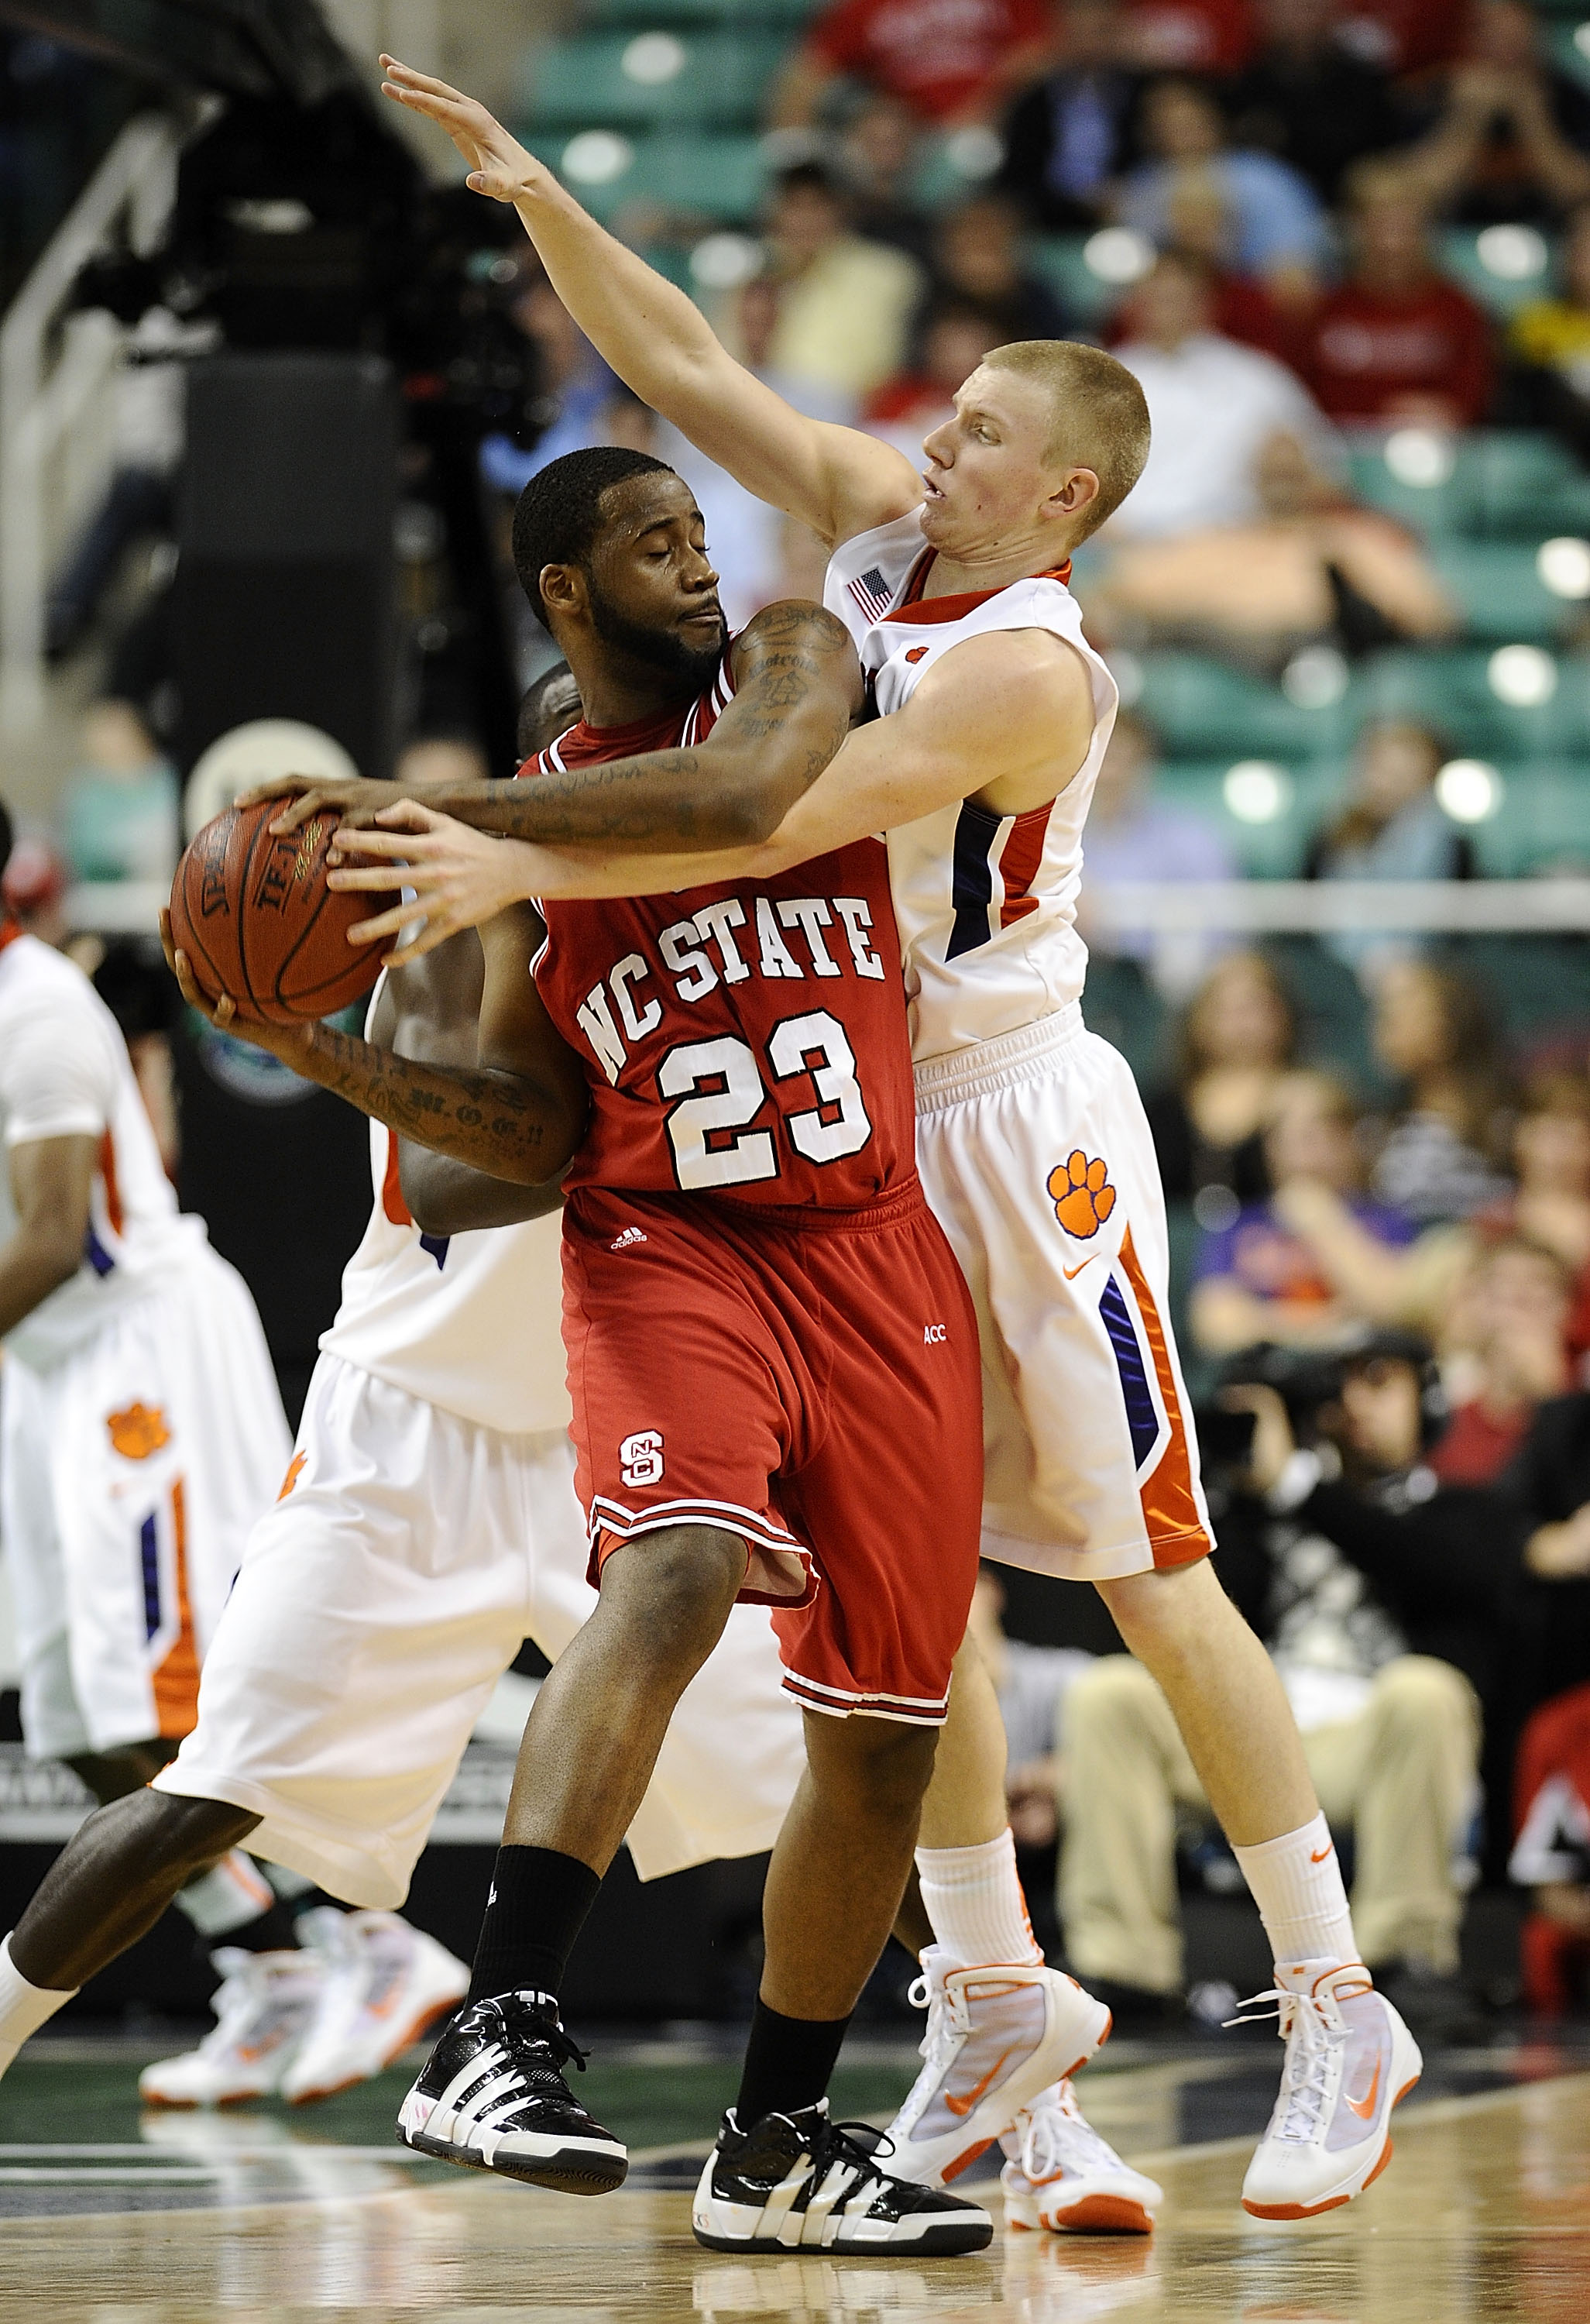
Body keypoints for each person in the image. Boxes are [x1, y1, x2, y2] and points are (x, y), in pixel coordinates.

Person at [295, 52, 1429, 2230]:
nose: (936, 439)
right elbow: (696, 372)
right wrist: (539, 201)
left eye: (985, 431)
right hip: (876, 1131)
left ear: (1065, 499)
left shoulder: (1024, 666)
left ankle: (1326, 1992)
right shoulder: (896, 540)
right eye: (949, 414)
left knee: (1144, 1567)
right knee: (916, 1609)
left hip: (1024, 1125)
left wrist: (485, 844)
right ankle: (989, 2008)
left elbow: (756, 817)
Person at [251, 459, 1044, 2253]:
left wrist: (409, 809)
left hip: (872, 1244)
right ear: (559, 594)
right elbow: (495, 1152)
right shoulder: (514, 859)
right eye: (652, 542)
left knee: (879, 1740)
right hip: (668, 1247)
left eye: (697, 531)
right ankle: (500, 2020)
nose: (700, 563)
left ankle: (774, 2140)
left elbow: (746, 783)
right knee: (676, 1568)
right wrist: (328, 1052)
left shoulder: (785, 671)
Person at [0, 686, 808, 2112]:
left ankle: (1009, 2082)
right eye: (579, 756)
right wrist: (641, 1118)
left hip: (604, 1419)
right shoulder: (454, 922)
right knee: (209, 1782)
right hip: (405, 1425)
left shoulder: (710, 937)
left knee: (831, 1766)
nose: (609, 778)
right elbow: (449, 1180)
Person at [0, 796, 311, 2058]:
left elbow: (46, 1235)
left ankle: (352, 1940)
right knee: (79, 1716)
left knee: (177, 1696)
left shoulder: (31, 1011)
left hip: (136, 1354)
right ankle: (274, 1960)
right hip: (53, 1370)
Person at [1064, 1337, 1485, 2030]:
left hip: (1368, 1741)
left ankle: (1402, 1957)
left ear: (1429, 1402)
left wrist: (1298, 1486)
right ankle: (1123, 1967)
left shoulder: (1459, 1510)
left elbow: (1442, 1578)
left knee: (1426, 1690)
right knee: (1109, 1694)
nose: (1353, 1407)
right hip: (1253, 1732)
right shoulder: (1259, 1510)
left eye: (1378, 1383)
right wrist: (1246, 1495)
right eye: (1339, 1390)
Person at [1082, 428, 1455, 669]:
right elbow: (1116, 587)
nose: (1282, 484)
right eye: (1272, 474)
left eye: (1292, 473)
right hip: (1216, 654)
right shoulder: (1217, 541)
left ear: (1318, 476)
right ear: (1251, 479)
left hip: (1316, 660)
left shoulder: (1353, 542)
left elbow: (1432, 618)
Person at [1190, 1069, 1417, 1356]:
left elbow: (1393, 1307)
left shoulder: (1383, 1219)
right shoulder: (1240, 1225)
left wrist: (1323, 1222)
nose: (1301, 1152)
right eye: (1285, 1136)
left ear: (1347, 1139)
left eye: (1314, 1135)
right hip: (1267, 1374)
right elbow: (1215, 1326)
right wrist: (1322, 1327)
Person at [1109, 251, 1331, 542]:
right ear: (1136, 304)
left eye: (1181, 298)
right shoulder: (1105, 380)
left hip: (1233, 540)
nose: (1169, 310)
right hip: (1120, 545)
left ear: (1207, 304)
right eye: (1159, 298)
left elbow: (1319, 467)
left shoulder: (1258, 377)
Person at [1292, 161, 1495, 431]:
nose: (1392, 243)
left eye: (1405, 227)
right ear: (1354, 231)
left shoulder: (1458, 309)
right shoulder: (1321, 308)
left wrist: (1448, 413)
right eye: (1380, 226)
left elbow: (1475, 400)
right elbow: (1295, 398)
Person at [1118, 76, 1331, 306]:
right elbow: (1126, 266)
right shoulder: (1141, 187)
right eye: (1166, 124)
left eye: (1189, 122)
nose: (1181, 134)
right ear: (1149, 133)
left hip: (1254, 294)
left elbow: (1299, 259)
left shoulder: (1265, 178)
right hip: (1173, 301)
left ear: (1214, 120)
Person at [1073, 707, 1238, 1000]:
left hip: (1163, 992)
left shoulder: (1191, 840)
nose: (1108, 774)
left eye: (1121, 759)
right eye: (1098, 758)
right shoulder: (1051, 841)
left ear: (1145, 763)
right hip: (1073, 985)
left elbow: (1224, 932)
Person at [1401, 0, 1590, 229]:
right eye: (1490, 28)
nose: (1505, 42)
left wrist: (1533, 118)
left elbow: (1577, 190)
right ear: (1469, 34)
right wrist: (1469, 117)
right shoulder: (1438, 91)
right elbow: (1411, 191)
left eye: (1514, 30)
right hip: (1448, 232)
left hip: (1549, 230)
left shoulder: (1565, 95)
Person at [755, 163, 925, 404]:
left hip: (847, 409)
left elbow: (885, 370)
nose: (805, 219)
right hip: (757, 398)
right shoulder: (749, 272)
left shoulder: (887, 272)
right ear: (774, 213)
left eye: (817, 206)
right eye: (794, 206)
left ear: (841, 209)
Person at [1142, 949, 1297, 1211]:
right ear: (1198, 1019)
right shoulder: (1161, 1107)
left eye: (1253, 1008)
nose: (1241, 1023)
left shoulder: (1305, 1103)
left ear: (1280, 1015)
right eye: (1226, 1009)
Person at [1367, 960, 1511, 1228]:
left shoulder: (1509, 1130)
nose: (1382, 1029)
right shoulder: (1375, 1133)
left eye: (1397, 1016)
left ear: (1448, 1028)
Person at [1224, 0, 1408, 205]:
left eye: (1309, 7)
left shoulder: (1365, 84)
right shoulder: (1241, 87)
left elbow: (1389, 161)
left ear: (1333, 12)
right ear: (1263, 14)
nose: (1299, 19)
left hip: (1352, 213)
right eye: (1287, 7)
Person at [768, 0, 1052, 131]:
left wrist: (986, 107)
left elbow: (1039, 53)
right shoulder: (865, 6)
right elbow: (805, 78)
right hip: (906, 140)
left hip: (992, 126)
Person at [996, 0, 1146, 232]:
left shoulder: (1146, 95)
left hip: (1131, 219)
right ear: (1058, 36)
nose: (1089, 45)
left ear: (1119, 32)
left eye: (1100, 32)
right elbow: (1017, 176)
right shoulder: (1033, 101)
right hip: (1047, 224)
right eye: (1077, 34)